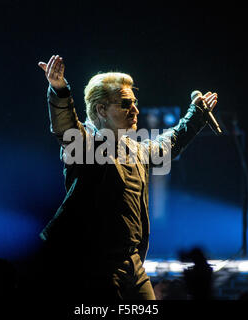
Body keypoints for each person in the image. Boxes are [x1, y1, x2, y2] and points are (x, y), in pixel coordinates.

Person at [37, 55, 218, 301]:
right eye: (125, 103)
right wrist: (59, 91)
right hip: (95, 265)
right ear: (101, 109)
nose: (135, 110)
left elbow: (170, 142)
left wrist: (196, 115)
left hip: (133, 263)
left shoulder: (135, 151)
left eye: (134, 102)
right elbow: (65, 126)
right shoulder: (85, 146)